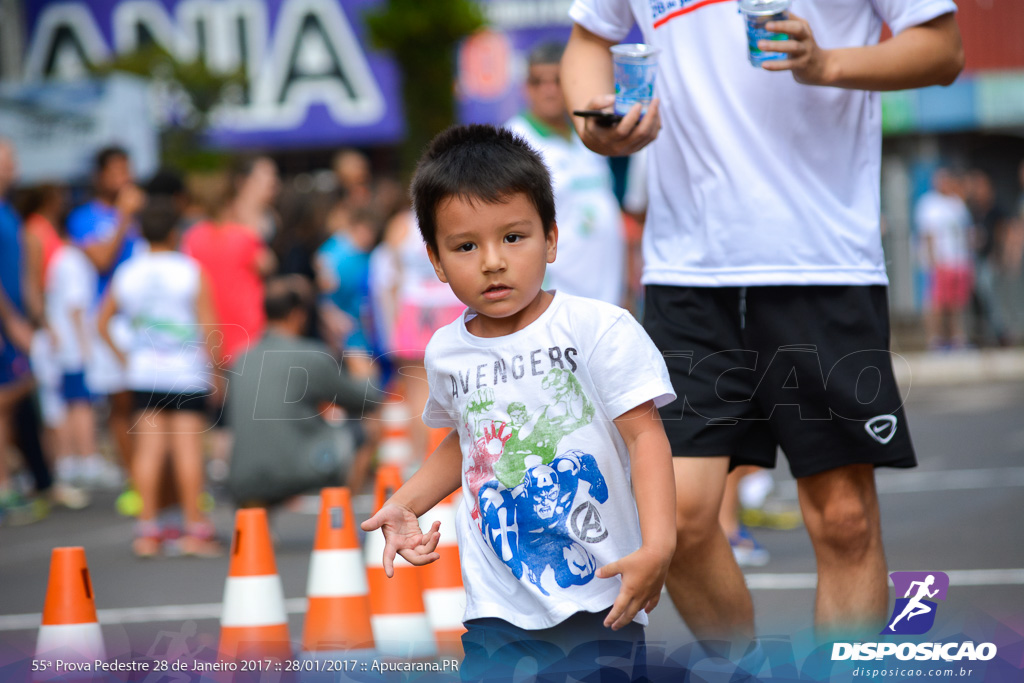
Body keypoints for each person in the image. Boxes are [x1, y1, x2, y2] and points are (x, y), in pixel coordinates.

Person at [561, 0, 964, 644]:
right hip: (687, 273)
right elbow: (587, 40)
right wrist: (594, 120)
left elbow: (943, 50)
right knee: (680, 521)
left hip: (824, 266)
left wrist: (827, 61)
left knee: (842, 519)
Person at [361, 125, 677, 680]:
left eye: (513, 237)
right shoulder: (446, 351)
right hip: (495, 607)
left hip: (601, 599)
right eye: (465, 246)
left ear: (551, 238)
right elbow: (468, 442)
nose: (492, 262)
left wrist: (659, 546)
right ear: (435, 262)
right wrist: (407, 501)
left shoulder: (597, 327)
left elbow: (646, 437)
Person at [97, 197, 222, 558]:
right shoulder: (190, 270)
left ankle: (147, 530)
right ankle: (195, 528)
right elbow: (210, 326)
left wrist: (126, 357)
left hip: (144, 371)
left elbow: (101, 321)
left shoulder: (128, 272)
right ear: (174, 231)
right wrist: (217, 371)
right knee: (188, 451)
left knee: (148, 453)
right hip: (185, 371)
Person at [226, 276, 382, 507]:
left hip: (243, 477)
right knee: (366, 429)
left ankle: (259, 524)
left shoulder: (241, 359)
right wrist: (362, 367)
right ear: (297, 315)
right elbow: (367, 399)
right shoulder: (311, 356)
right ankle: (340, 518)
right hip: (298, 470)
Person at [505, 42, 625, 305]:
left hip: (608, 297)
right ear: (527, 88)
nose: (549, 90)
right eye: (539, 81)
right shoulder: (513, 142)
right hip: (555, 302)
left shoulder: (590, 134)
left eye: (557, 80)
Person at [67, 145, 145, 487]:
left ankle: (155, 479)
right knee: (122, 404)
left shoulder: (141, 215)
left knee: (151, 404)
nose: (124, 178)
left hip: (142, 319)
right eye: (116, 171)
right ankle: (136, 480)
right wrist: (124, 217)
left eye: (127, 169)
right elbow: (101, 260)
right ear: (100, 176)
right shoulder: (84, 217)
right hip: (110, 320)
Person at [916, 167, 973, 350]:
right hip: (940, 262)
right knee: (937, 303)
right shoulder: (929, 203)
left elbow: (965, 232)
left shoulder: (957, 203)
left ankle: (958, 339)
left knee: (957, 303)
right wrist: (933, 261)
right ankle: (935, 340)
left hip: (959, 261)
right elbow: (927, 234)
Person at [965, 169, 1009, 347]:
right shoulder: (973, 211)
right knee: (977, 296)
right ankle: (982, 334)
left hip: (991, 260)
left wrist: (1001, 256)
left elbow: (1003, 233)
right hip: (975, 260)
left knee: (989, 294)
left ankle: (1000, 332)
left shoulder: (996, 209)